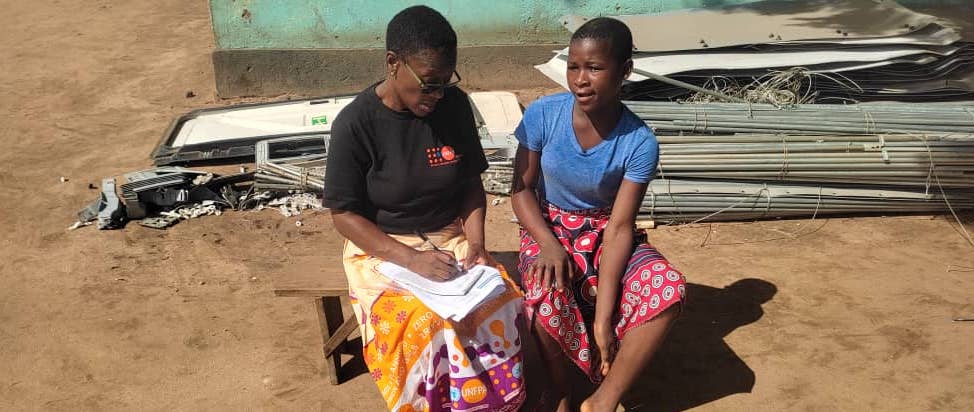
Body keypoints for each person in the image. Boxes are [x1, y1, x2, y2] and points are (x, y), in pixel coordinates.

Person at [323, 6, 525, 412]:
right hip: (383, 249)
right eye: (428, 85)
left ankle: (495, 405)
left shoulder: (453, 106)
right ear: (392, 63)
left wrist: (478, 246)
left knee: (500, 303)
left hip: (450, 238)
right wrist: (411, 259)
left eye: (445, 83)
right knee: (426, 324)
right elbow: (344, 215)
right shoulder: (355, 124)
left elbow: (470, 183)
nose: (436, 96)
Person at [510, 17, 686, 412]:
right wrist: (548, 244)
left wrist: (603, 318)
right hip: (547, 225)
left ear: (624, 71)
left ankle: (603, 401)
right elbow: (520, 189)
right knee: (544, 287)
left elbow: (621, 227)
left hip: (607, 231)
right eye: (573, 66)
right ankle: (560, 389)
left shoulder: (639, 142)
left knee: (666, 287)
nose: (580, 79)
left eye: (594, 67)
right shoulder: (543, 116)